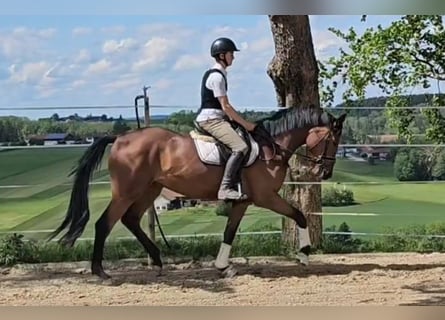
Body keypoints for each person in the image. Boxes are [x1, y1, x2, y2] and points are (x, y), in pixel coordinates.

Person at [195, 37, 257, 201]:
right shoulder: (217, 77)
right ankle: (225, 188)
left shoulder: (219, 74)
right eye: (231, 53)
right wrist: (246, 124)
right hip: (212, 120)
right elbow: (226, 107)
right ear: (222, 55)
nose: (233, 57)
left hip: (216, 117)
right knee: (240, 147)